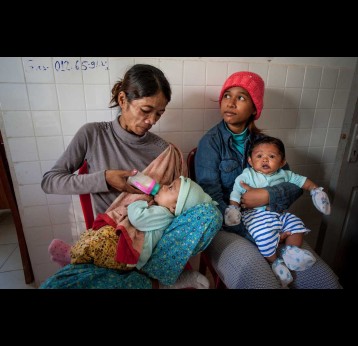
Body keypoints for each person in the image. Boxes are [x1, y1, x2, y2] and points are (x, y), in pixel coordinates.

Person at [40, 64, 222, 289]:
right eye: (146, 110)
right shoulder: (93, 135)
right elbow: (50, 181)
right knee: (55, 286)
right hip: (108, 247)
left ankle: (154, 277)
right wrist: (104, 178)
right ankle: (147, 282)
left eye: (159, 113)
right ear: (123, 99)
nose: (152, 120)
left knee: (210, 214)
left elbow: (182, 212)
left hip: (151, 251)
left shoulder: (165, 152)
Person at [195, 70, 341, 289]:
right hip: (228, 226)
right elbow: (210, 198)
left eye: (241, 97)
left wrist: (266, 196)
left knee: (322, 279)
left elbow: (293, 185)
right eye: (227, 95)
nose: (231, 102)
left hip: (271, 219)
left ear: (255, 108)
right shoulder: (210, 142)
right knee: (261, 279)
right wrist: (255, 234)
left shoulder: (266, 144)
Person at [48, 176, 215, 276]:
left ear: (174, 208)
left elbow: (137, 219)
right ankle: (77, 256)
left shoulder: (164, 215)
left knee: (102, 241)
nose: (163, 186)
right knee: (101, 235)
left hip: (131, 255)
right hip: (130, 247)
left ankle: (72, 255)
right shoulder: (161, 210)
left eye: (170, 188)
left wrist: (139, 202)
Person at [224, 136, 331, 287]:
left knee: (296, 224)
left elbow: (303, 181)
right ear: (250, 161)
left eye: (272, 156)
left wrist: (315, 190)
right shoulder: (247, 175)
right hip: (255, 216)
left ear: (282, 162)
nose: (265, 160)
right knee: (264, 236)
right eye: (259, 156)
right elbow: (235, 192)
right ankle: (276, 262)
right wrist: (234, 208)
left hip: (279, 213)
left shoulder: (285, 174)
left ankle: (291, 251)